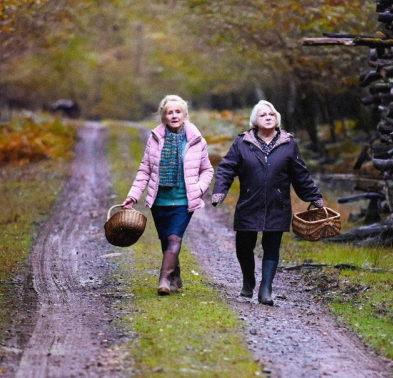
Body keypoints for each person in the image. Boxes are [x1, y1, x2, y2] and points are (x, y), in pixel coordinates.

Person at [211, 100, 324, 305]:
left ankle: (266, 289)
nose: (268, 117)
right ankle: (248, 280)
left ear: (277, 118)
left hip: (277, 203)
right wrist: (220, 191)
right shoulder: (242, 142)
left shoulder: (288, 143)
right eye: (263, 115)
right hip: (249, 201)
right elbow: (227, 168)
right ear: (255, 120)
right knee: (244, 246)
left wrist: (314, 197)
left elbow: (300, 174)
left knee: (272, 245)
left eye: (271, 114)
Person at [121, 95, 214, 295]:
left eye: (178, 112)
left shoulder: (196, 140)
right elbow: (145, 170)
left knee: (174, 238)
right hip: (159, 200)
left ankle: (163, 279)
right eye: (169, 112)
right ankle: (175, 275)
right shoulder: (155, 139)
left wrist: (198, 189)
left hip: (183, 199)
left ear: (185, 115)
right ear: (163, 116)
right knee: (166, 240)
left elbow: (207, 170)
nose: (174, 115)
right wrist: (133, 196)